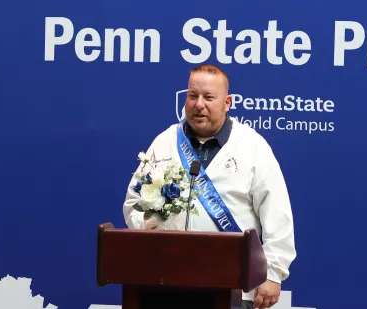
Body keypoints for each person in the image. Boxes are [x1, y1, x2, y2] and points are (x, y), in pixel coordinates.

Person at [123, 64, 296, 309]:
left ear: (227, 102)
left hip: (234, 287)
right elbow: (133, 202)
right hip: (167, 282)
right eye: (192, 96)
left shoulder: (252, 146)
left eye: (208, 97)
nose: (198, 104)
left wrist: (273, 273)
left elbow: (277, 214)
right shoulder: (164, 142)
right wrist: (146, 224)